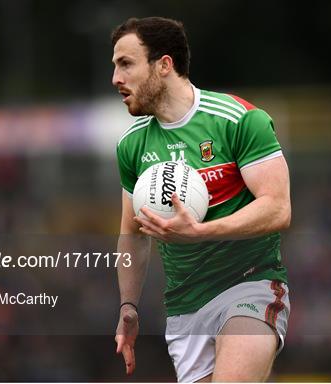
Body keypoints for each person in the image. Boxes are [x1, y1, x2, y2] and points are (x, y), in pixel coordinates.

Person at [111, 16, 291, 382]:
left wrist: (201, 231)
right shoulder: (132, 145)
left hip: (249, 285)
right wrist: (128, 306)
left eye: (126, 64)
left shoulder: (238, 120)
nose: (116, 78)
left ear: (164, 65)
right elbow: (132, 233)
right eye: (115, 66)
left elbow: (277, 207)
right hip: (185, 308)